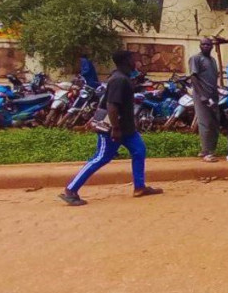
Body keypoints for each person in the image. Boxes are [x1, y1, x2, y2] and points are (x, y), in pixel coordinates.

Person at [60, 50, 162, 205]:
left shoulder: (123, 78)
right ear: (126, 61)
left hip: (127, 129)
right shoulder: (119, 80)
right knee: (101, 158)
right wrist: (115, 128)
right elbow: (111, 105)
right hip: (113, 128)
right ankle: (71, 190)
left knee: (139, 150)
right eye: (132, 59)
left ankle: (140, 187)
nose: (135, 61)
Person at [188, 37, 221, 162]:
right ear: (200, 46)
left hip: (213, 95)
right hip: (202, 96)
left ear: (212, 46)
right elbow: (194, 78)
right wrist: (202, 95)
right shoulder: (196, 59)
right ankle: (206, 152)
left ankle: (210, 149)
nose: (206, 46)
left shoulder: (212, 60)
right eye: (204, 44)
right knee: (205, 122)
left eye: (208, 44)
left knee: (214, 122)